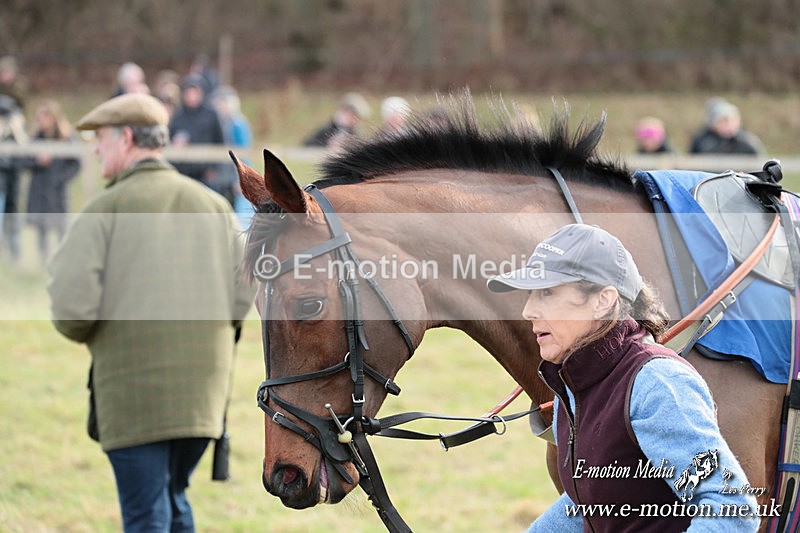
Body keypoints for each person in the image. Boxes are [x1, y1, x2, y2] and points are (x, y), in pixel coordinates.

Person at [47, 93, 255, 532]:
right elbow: (245, 294)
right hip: (203, 397)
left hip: (133, 396)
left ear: (126, 138)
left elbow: (71, 311)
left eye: (100, 138)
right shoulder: (214, 206)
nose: (95, 148)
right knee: (173, 498)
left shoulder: (103, 209)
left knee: (147, 514)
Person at [487, 223, 758, 532]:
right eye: (532, 294)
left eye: (547, 293)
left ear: (603, 299)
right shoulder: (574, 383)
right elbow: (590, 503)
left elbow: (733, 511)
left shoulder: (656, 385)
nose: (528, 310)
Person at [22, 99, 81, 263]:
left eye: (43, 117)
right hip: (39, 190)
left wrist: (60, 179)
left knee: (61, 227)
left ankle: (63, 262)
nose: (40, 121)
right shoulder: (35, 139)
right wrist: (37, 162)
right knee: (41, 229)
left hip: (57, 191)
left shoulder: (67, 138)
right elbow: (24, 161)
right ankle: (43, 261)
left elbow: (76, 164)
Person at [168, 74, 226, 194]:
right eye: (189, 93)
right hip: (183, 175)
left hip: (206, 176)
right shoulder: (177, 117)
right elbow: (169, 144)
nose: (192, 97)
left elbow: (220, 142)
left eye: (195, 93)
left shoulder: (211, 115)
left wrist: (214, 169)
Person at [211, 85, 255, 227]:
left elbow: (243, 153)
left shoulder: (238, 124)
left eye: (220, 103)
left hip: (236, 174)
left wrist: (240, 177)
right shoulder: (223, 123)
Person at [689, 98, 765, 155]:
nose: (729, 124)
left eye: (733, 119)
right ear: (713, 124)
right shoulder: (702, 141)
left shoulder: (748, 142)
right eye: (724, 120)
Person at [302, 92, 370, 148]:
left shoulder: (355, 132)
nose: (355, 120)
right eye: (353, 116)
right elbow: (307, 145)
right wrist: (327, 144)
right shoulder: (327, 128)